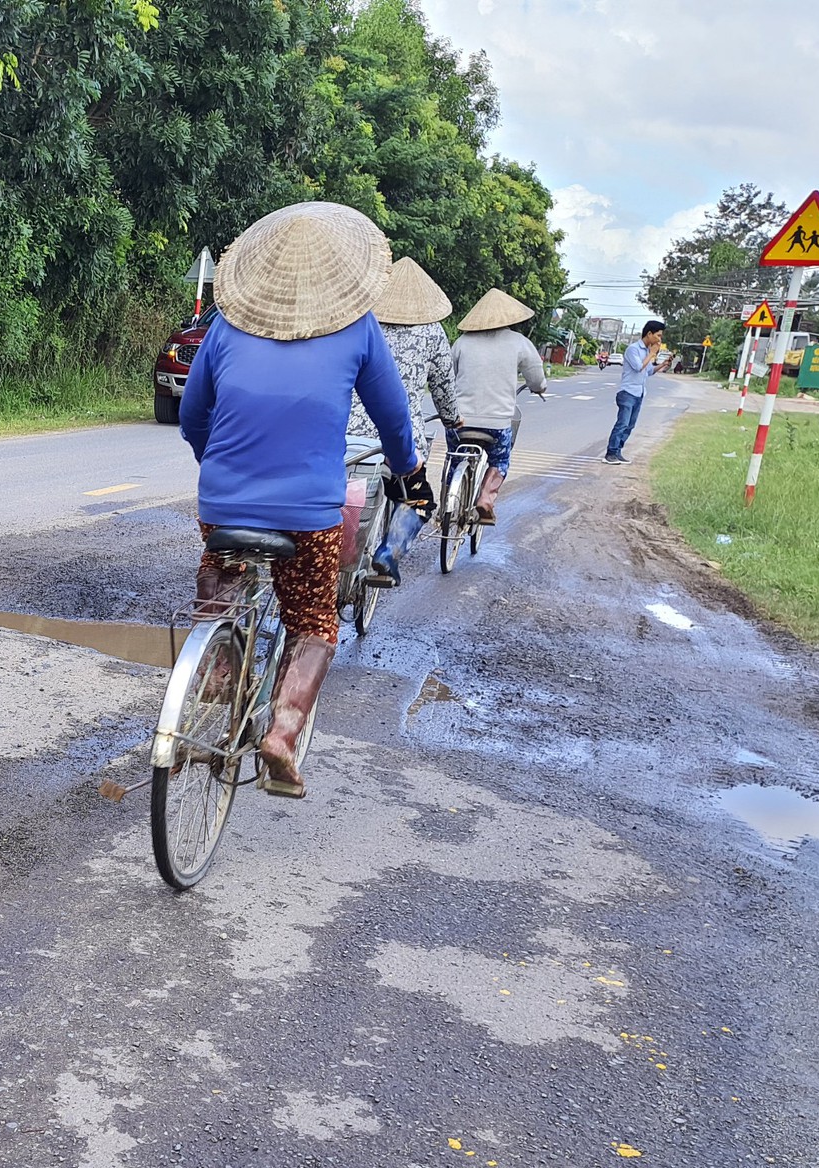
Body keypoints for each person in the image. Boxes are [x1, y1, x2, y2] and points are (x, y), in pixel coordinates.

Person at [179, 202, 432, 798]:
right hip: (309, 514)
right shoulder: (359, 327)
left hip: (221, 501)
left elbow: (193, 416)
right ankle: (283, 735)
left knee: (223, 577)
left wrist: (218, 473)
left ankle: (216, 662)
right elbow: (395, 421)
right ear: (339, 278)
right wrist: (410, 475)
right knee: (314, 619)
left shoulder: (225, 325)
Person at [345, 256, 460, 585]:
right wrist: (452, 419)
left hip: (342, 435)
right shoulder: (432, 333)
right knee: (419, 498)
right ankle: (388, 554)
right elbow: (443, 388)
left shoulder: (356, 323)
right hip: (396, 443)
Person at [448, 289, 547, 523]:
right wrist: (539, 388)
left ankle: (448, 503)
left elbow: (448, 375)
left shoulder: (462, 342)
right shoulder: (520, 343)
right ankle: (486, 499)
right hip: (497, 424)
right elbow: (536, 379)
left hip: (460, 421)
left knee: (454, 456)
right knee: (500, 460)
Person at [603, 320, 664, 463]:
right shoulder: (633, 349)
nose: (659, 340)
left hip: (639, 393)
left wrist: (662, 364)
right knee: (622, 423)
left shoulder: (647, 352)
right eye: (658, 336)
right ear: (649, 334)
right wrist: (652, 354)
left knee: (630, 425)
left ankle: (618, 451)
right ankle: (610, 453)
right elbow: (638, 367)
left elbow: (648, 371)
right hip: (627, 393)